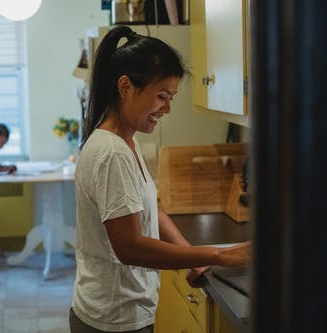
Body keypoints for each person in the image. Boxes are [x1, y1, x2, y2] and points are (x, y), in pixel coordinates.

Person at [69, 26, 251, 333]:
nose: (167, 108)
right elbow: (130, 247)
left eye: (171, 97)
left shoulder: (125, 138)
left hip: (117, 310)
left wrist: (193, 258)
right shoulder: (112, 152)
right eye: (162, 96)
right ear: (125, 86)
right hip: (114, 320)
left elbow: (151, 210)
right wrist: (219, 254)